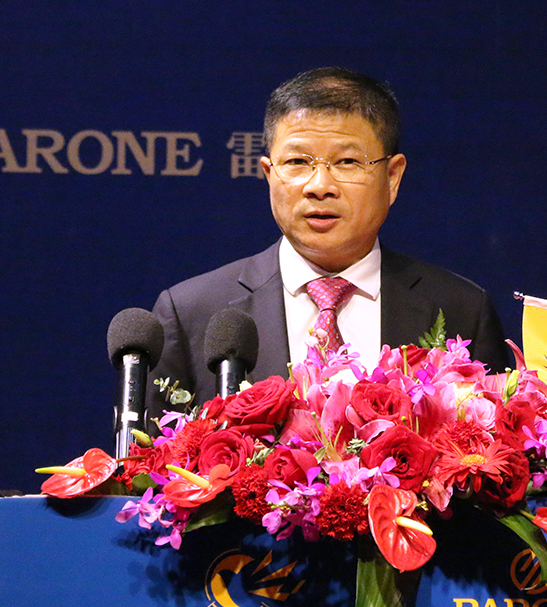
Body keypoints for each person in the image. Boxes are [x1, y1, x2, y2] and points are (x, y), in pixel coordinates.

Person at [147, 67, 510, 416]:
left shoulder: (463, 310)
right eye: (297, 161)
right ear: (269, 174)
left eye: (347, 161)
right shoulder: (192, 313)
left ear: (392, 177)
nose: (319, 186)